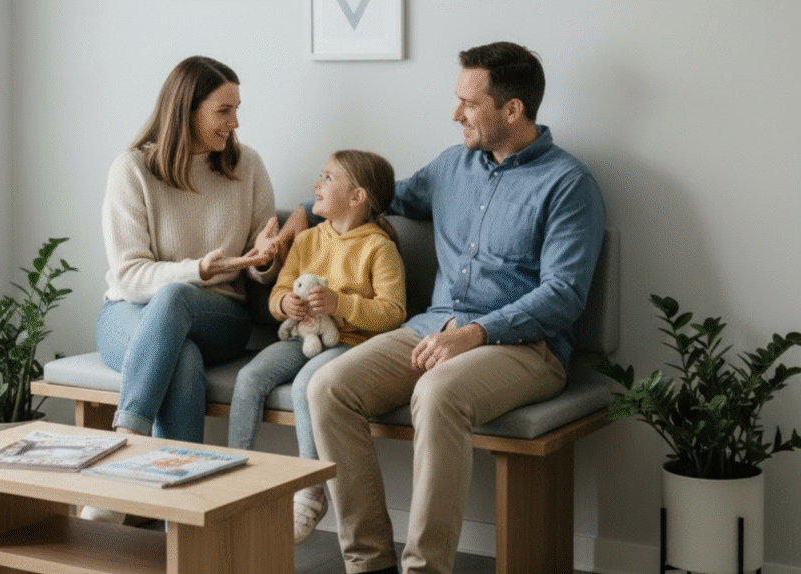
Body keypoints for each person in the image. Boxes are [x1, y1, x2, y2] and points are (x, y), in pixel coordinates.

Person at [306, 42, 607, 574]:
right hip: (431, 327)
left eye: (469, 103)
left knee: (438, 392)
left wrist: (475, 334)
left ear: (512, 110)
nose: (455, 115)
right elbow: (377, 197)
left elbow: (564, 294)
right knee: (329, 387)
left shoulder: (568, 184)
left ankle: (426, 568)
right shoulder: (451, 166)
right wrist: (297, 222)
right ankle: (368, 562)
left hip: (523, 348)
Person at [226, 150, 407, 544]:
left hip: (351, 343)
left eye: (327, 177)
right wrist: (284, 304)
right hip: (301, 334)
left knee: (310, 384)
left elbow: (393, 313)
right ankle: (232, 475)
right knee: (250, 377)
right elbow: (278, 292)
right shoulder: (307, 240)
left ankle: (310, 491)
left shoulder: (380, 248)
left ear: (358, 196)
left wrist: (342, 304)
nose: (316, 185)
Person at [96, 55, 279, 445]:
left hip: (220, 315)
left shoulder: (248, 166)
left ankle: (126, 441)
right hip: (127, 312)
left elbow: (255, 265)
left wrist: (265, 258)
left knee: (177, 296)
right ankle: (173, 498)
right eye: (224, 111)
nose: (235, 123)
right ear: (186, 111)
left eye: (237, 110)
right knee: (181, 357)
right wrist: (198, 269)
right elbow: (128, 277)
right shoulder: (131, 170)